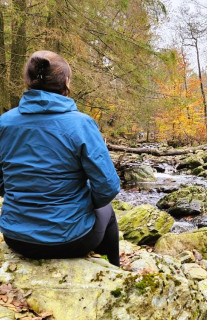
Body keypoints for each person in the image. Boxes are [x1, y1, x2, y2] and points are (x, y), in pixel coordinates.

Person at [0, 50, 121, 266]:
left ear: (28, 82)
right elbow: (108, 186)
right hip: (71, 239)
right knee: (107, 211)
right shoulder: (81, 123)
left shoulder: (4, 123)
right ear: (65, 81)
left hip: (17, 238)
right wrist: (84, 204)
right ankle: (112, 269)